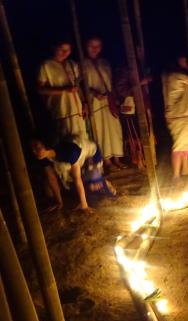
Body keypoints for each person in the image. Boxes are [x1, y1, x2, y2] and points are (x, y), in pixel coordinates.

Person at [31, 136, 116, 212]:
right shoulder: (42, 157)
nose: (34, 151)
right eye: (32, 149)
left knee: (92, 187)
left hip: (91, 152)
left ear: (46, 145)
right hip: (77, 160)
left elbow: (77, 179)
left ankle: (104, 182)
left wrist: (84, 205)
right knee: (75, 190)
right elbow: (51, 178)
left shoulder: (70, 151)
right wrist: (59, 202)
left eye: (37, 146)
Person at [83, 37, 125, 171]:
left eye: (98, 46)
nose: (95, 49)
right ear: (86, 46)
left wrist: (114, 97)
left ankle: (117, 158)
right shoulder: (82, 65)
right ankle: (107, 161)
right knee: (101, 130)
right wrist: (93, 93)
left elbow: (110, 82)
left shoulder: (105, 63)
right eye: (91, 46)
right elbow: (81, 85)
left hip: (109, 100)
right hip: (94, 102)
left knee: (114, 128)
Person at [38, 40, 87, 141]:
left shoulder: (72, 64)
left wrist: (84, 103)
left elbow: (77, 86)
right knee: (70, 141)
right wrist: (63, 90)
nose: (65, 53)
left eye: (68, 50)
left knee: (83, 140)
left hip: (77, 109)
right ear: (54, 48)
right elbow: (40, 90)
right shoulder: (46, 66)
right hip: (62, 109)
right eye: (62, 49)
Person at [162, 55, 188, 178]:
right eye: (183, 61)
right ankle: (176, 174)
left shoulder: (165, 76)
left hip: (175, 113)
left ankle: (185, 168)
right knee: (179, 144)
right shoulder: (180, 76)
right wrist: (187, 68)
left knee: (185, 142)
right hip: (181, 114)